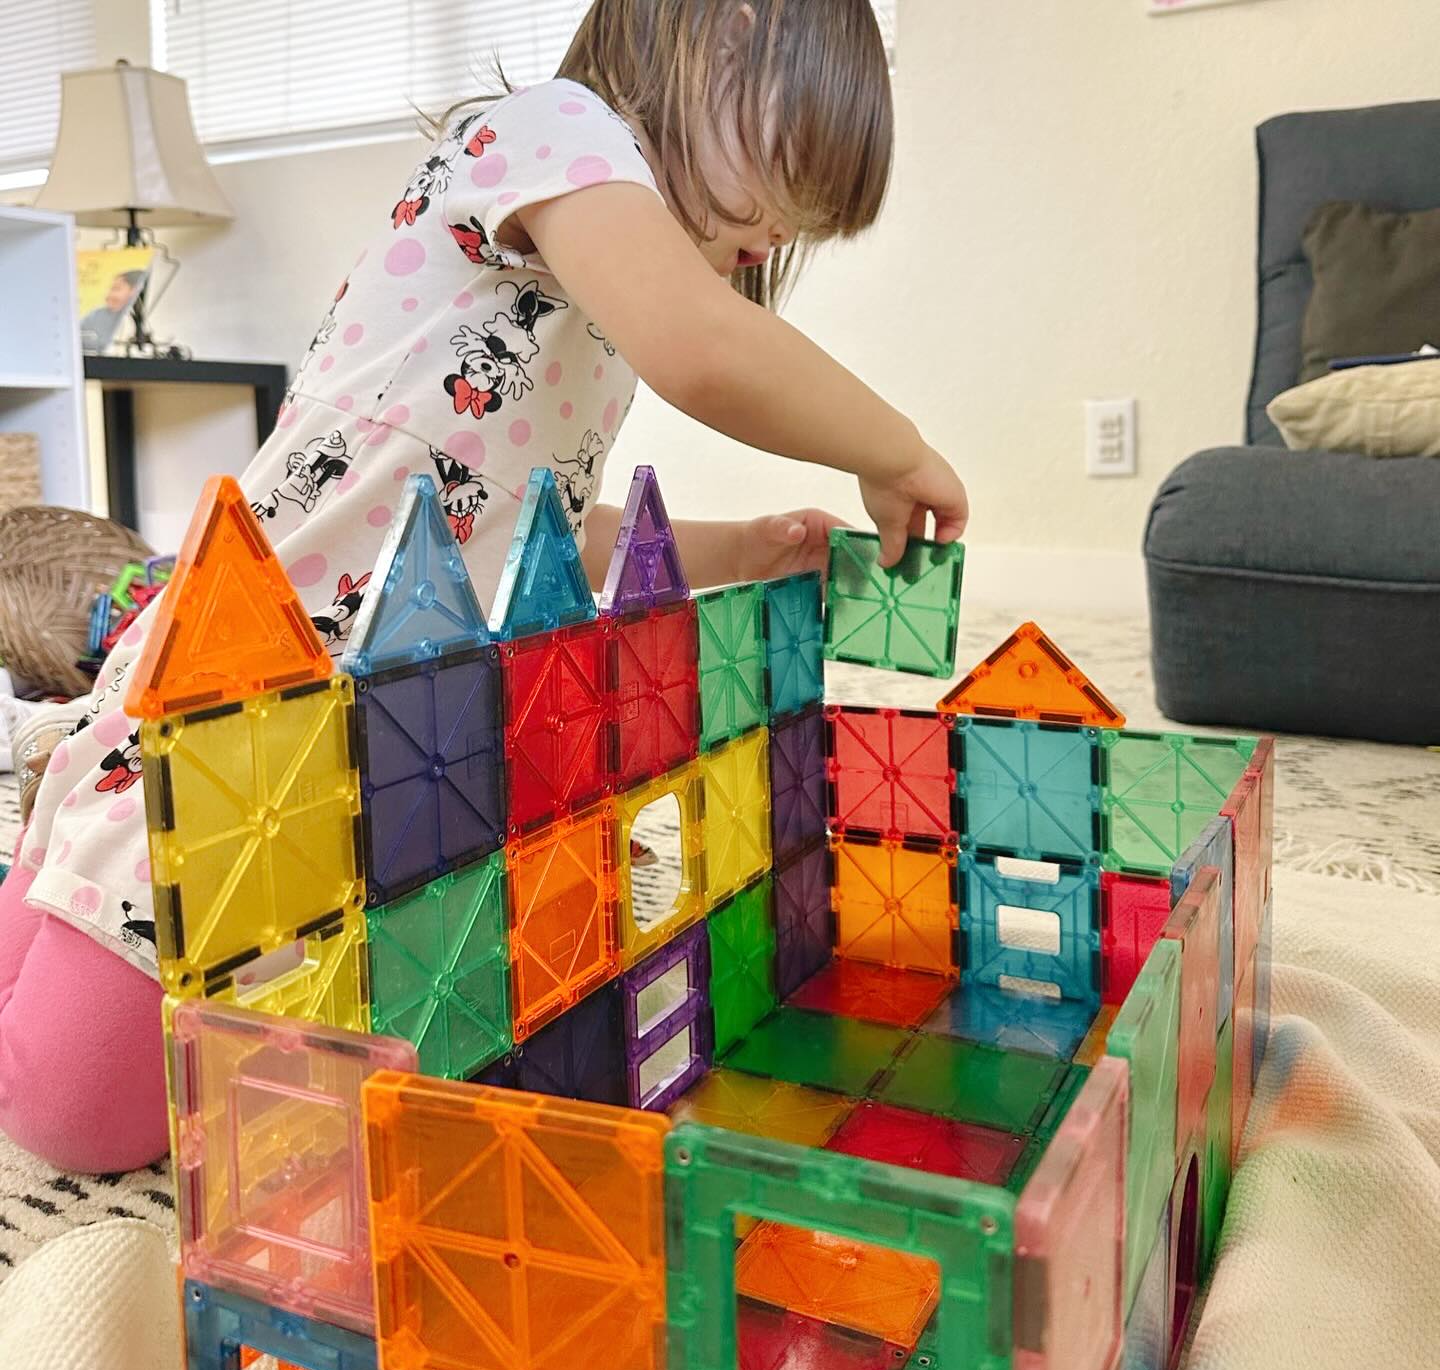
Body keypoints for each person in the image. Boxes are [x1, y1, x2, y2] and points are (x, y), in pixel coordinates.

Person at [0, 0, 967, 1173]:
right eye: (782, 187)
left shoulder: (587, 311)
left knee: (229, 1013)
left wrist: (744, 547)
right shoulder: (552, 132)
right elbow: (707, 348)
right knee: (67, 1110)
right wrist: (893, 446)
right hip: (250, 690)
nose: (772, 239)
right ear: (720, 31)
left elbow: (531, 534)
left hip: (372, 737)